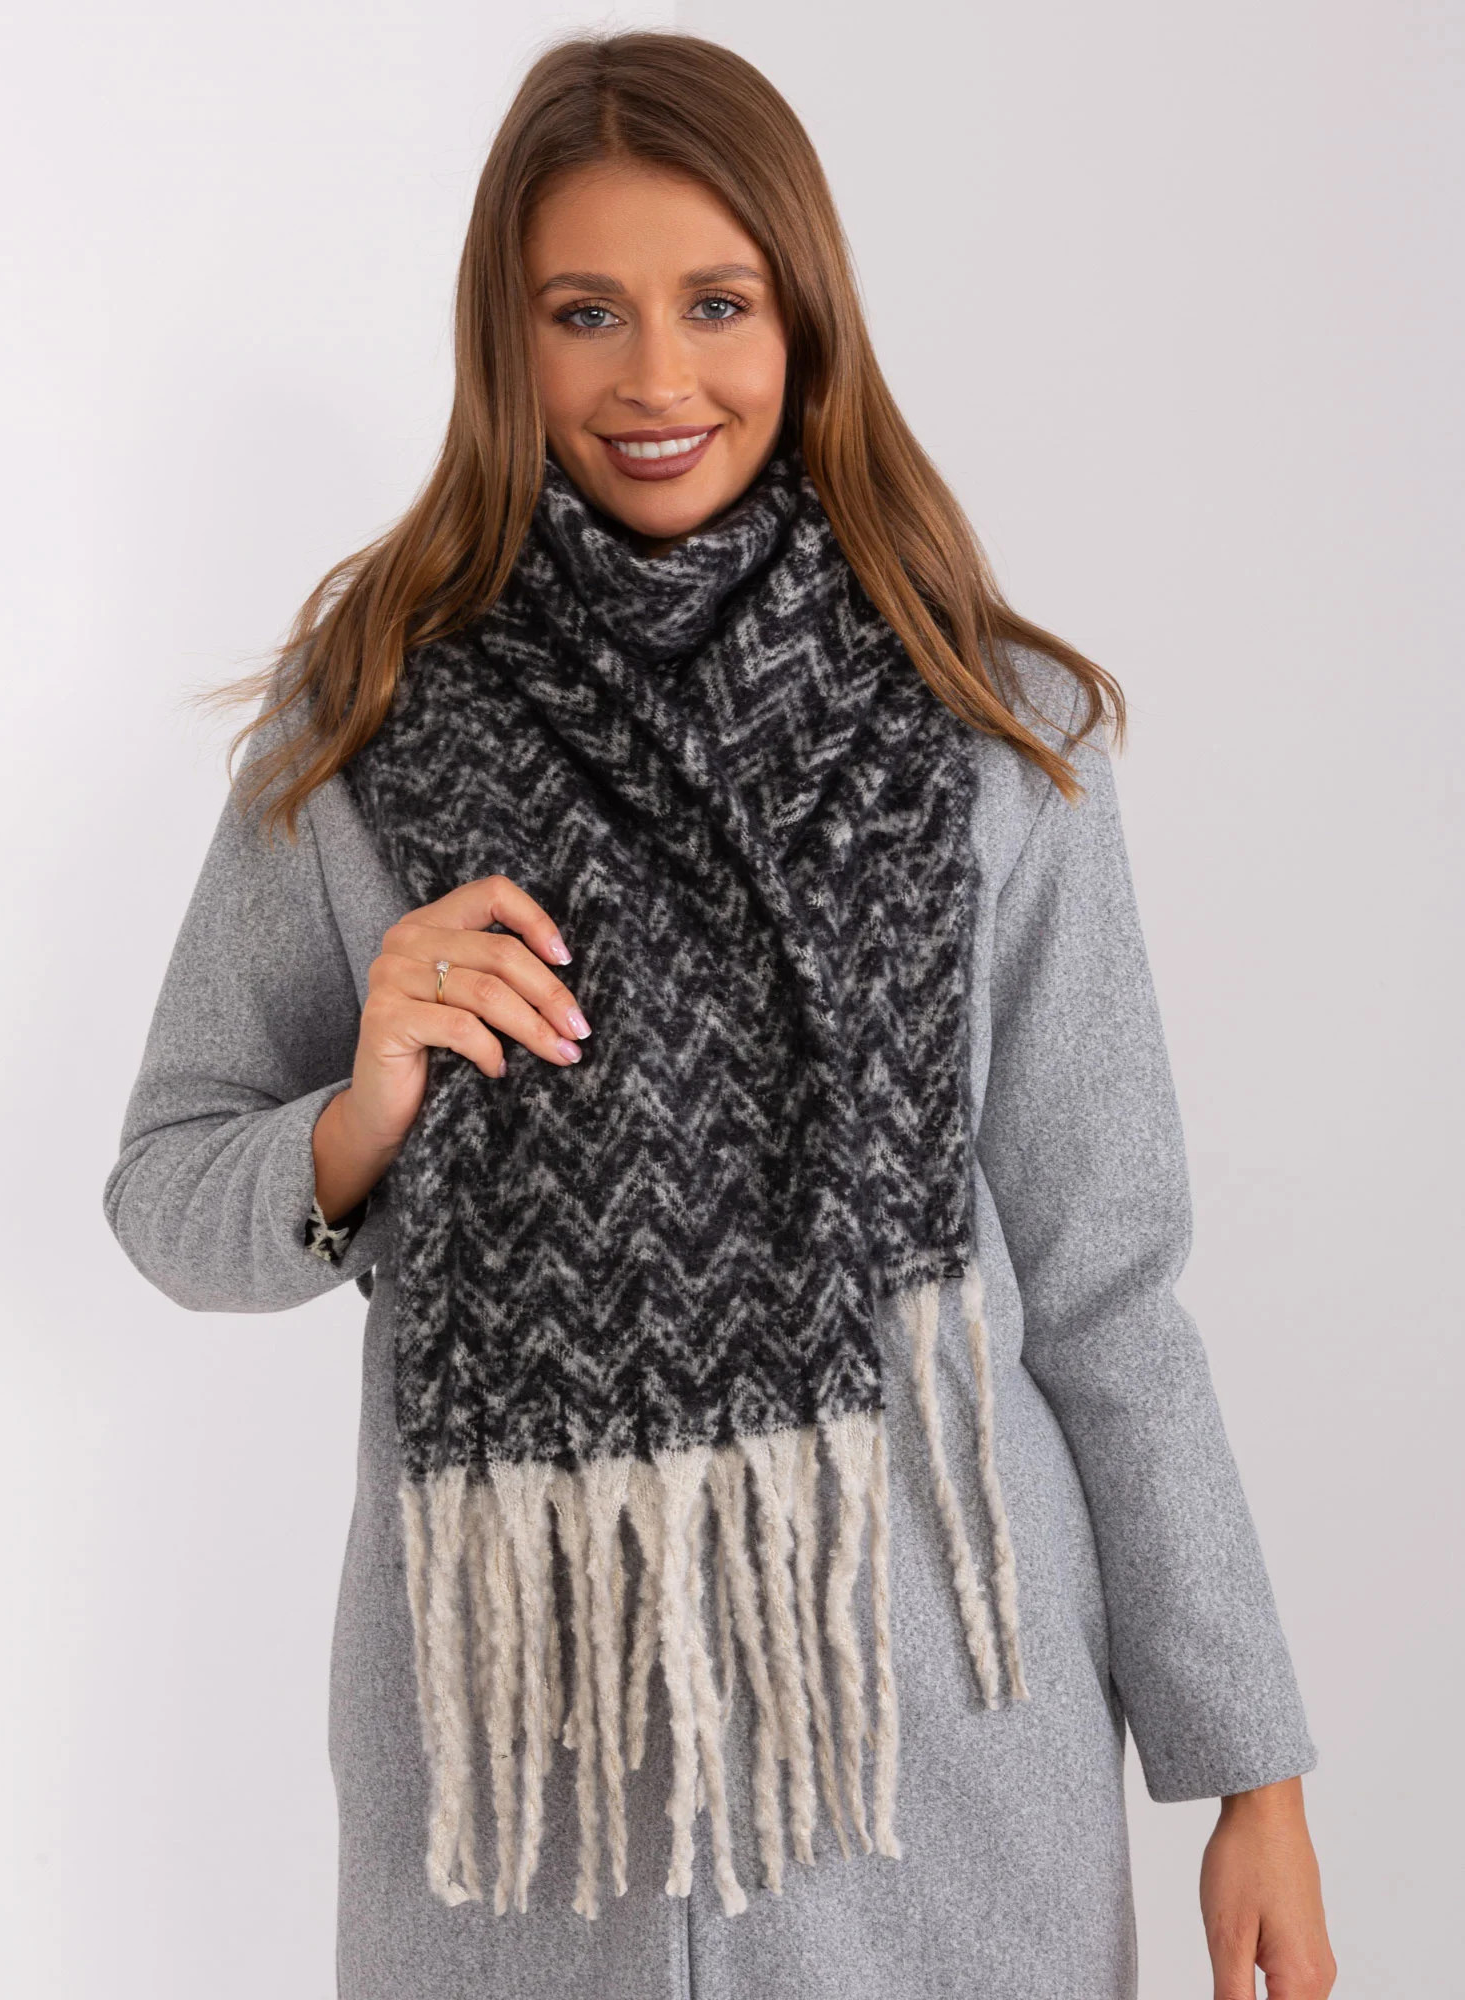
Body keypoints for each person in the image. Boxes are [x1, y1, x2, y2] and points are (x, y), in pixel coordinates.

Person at [103, 29, 1337, 2000]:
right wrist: (364, 1105)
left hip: (938, 1785)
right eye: (584, 312)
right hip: (525, 1808)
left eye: (718, 303)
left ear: (806, 319)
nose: (656, 379)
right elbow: (168, 1193)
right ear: (505, 341)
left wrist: (1249, 1768)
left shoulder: (990, 732)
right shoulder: (357, 733)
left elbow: (1109, 1285)